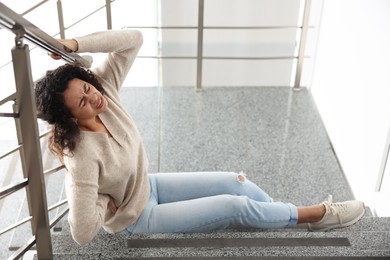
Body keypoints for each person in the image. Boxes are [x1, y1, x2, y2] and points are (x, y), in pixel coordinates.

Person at [35, 29, 365, 246]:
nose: (93, 98)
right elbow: (80, 233)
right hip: (138, 218)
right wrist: (100, 200)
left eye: (87, 88)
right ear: (70, 118)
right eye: (82, 101)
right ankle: (315, 215)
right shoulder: (81, 157)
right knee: (236, 206)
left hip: (152, 186)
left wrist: (74, 47)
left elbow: (133, 39)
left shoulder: (105, 92)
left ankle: (279, 214)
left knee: (236, 182)